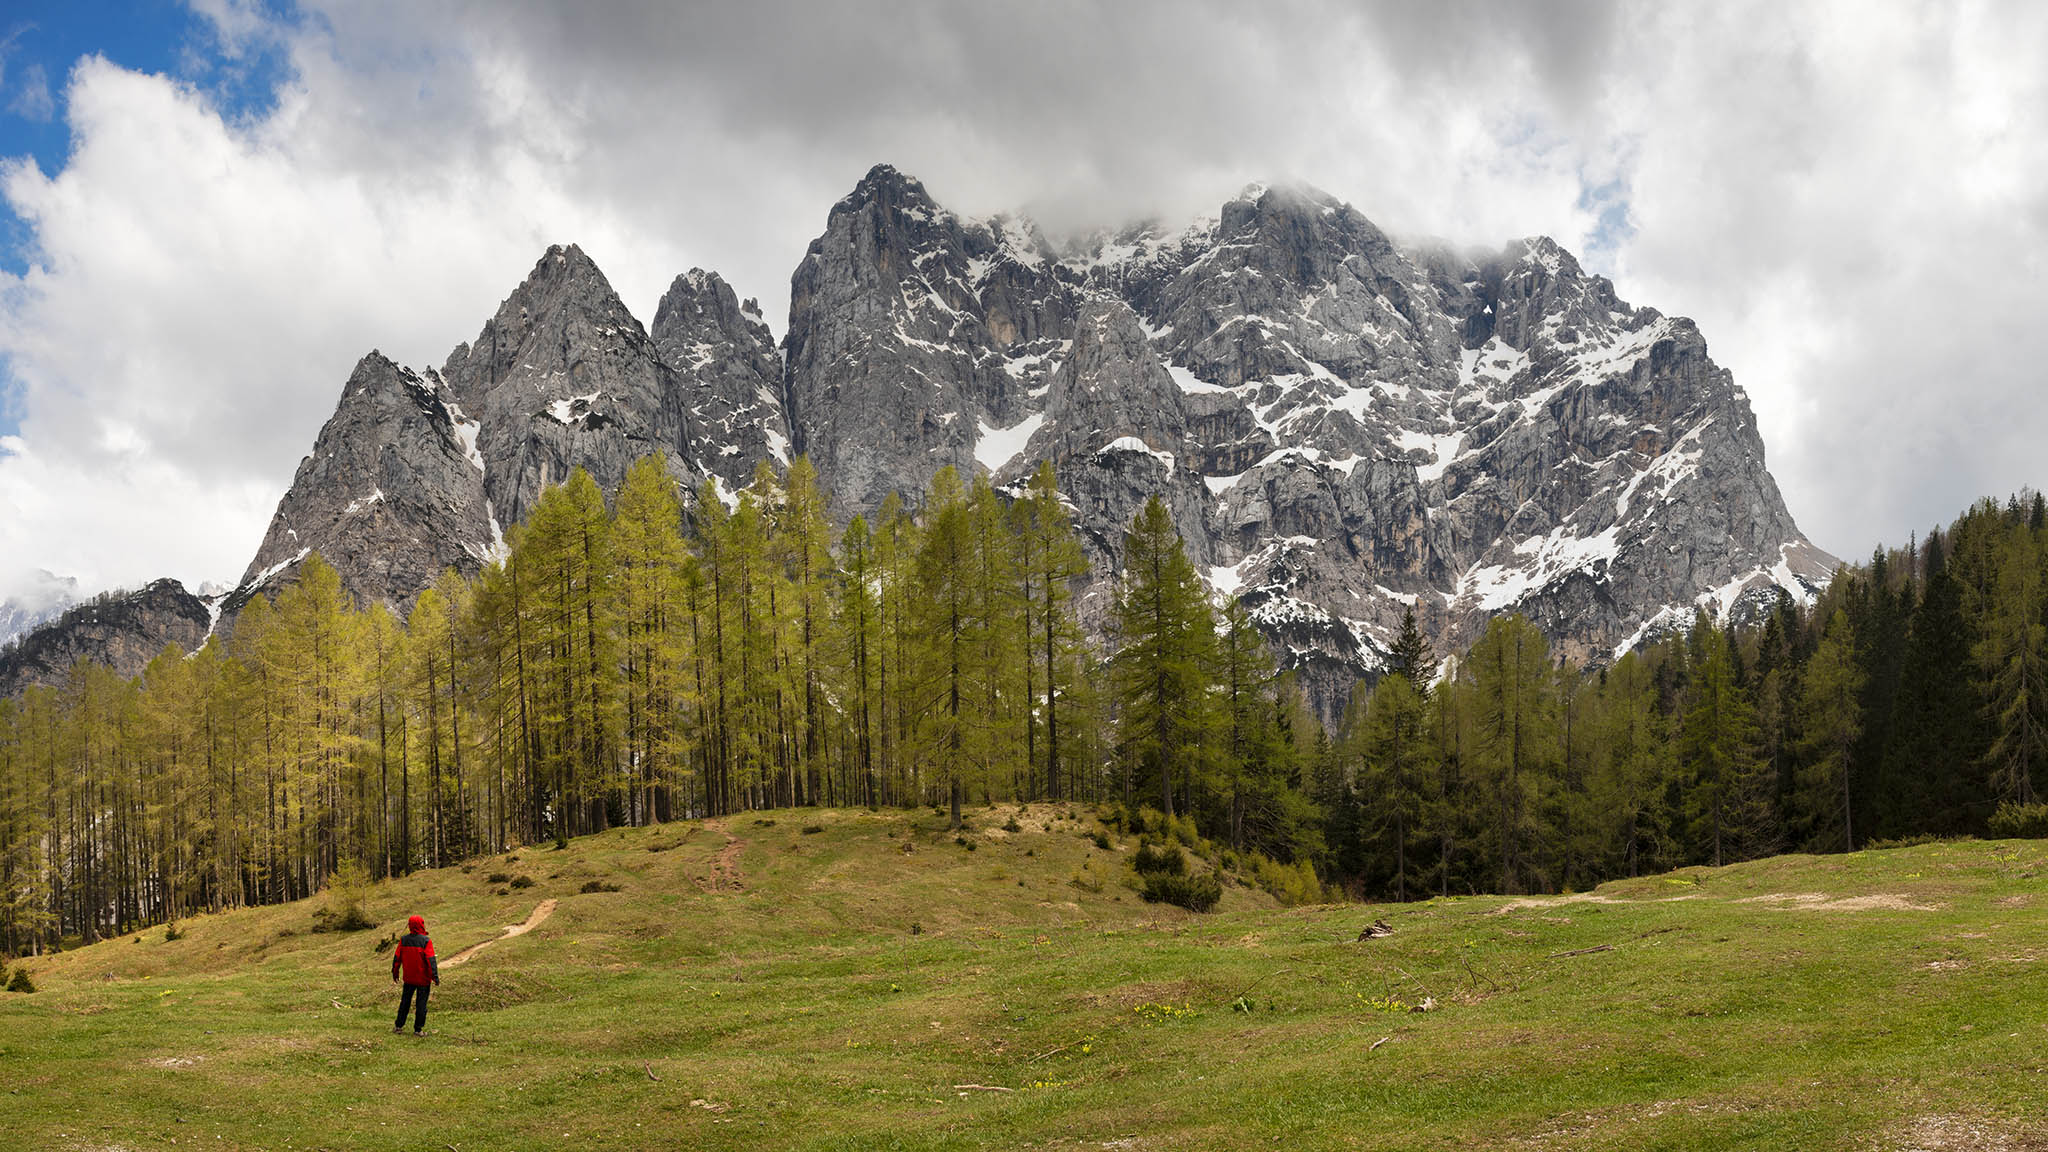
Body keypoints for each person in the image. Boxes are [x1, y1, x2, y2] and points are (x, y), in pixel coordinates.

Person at [391, 914, 439, 1035]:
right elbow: (430, 960)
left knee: (405, 1002)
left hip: (408, 978)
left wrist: (395, 973)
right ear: (421, 925)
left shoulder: (404, 940)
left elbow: (397, 958)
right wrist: (435, 977)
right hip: (423, 979)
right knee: (421, 1004)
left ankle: (398, 1027)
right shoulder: (426, 941)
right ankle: (418, 1030)